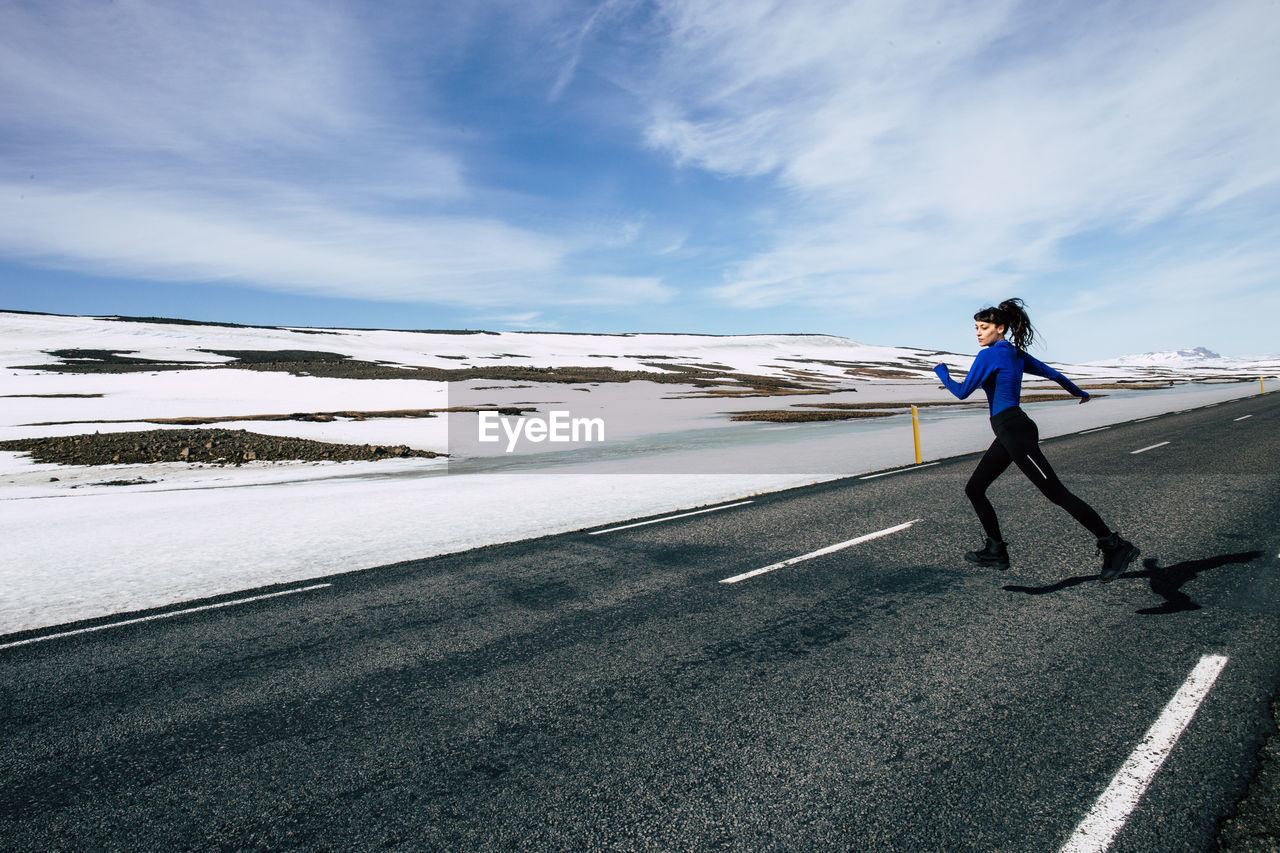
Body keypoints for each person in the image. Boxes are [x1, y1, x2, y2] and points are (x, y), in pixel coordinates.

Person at [933, 299, 1139, 581]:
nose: (978, 333)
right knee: (975, 488)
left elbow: (962, 392)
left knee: (1056, 493)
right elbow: (1053, 373)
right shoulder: (1014, 354)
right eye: (976, 328)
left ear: (1000, 328)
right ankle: (995, 549)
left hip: (1014, 430)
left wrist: (941, 371)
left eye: (984, 327)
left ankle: (1114, 545)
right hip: (1008, 432)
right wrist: (1080, 392)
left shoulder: (989, 355)